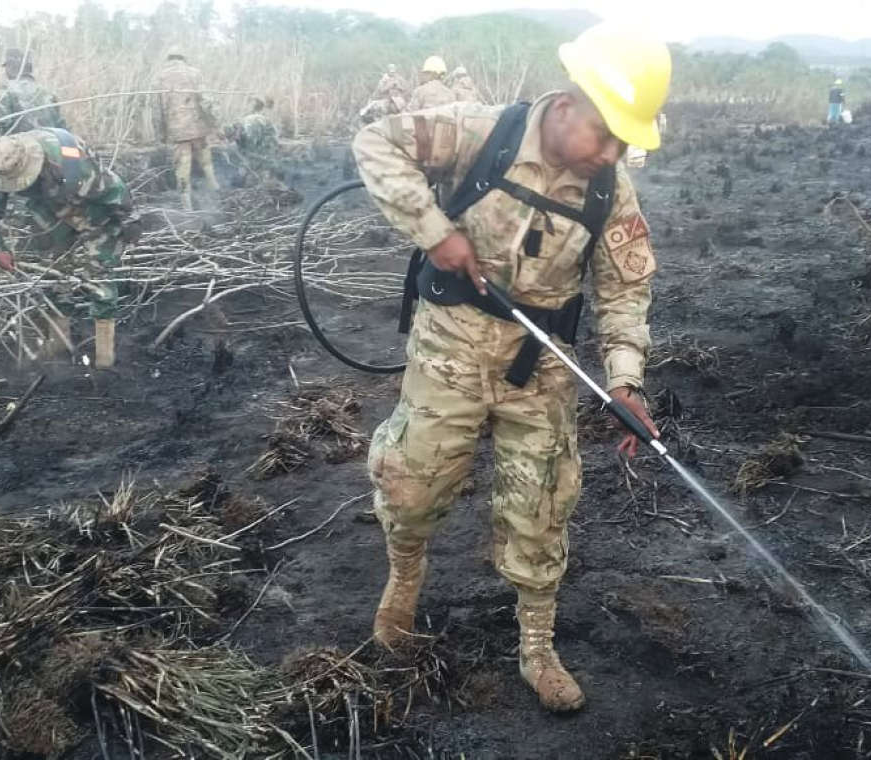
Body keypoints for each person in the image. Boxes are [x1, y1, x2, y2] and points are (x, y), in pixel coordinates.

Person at [353, 22, 670, 713]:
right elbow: (375, 143)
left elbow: (625, 289)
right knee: (412, 484)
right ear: (566, 106)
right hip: (450, 346)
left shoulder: (608, 188)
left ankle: (537, 645)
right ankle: (404, 578)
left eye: (623, 141)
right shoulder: (478, 132)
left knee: (542, 507)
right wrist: (435, 233)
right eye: (606, 134)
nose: (613, 152)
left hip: (542, 365)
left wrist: (624, 379)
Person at [0, 128, 141, 368]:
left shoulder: (73, 162)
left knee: (100, 275)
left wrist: (130, 223)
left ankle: (105, 357)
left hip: (94, 208)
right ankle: (59, 343)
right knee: (53, 272)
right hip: (48, 210)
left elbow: (115, 191)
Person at [153, 45, 220, 211]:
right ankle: (218, 196)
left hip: (177, 133)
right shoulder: (195, 73)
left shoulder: (159, 78)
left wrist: (160, 134)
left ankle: (187, 209)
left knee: (183, 171)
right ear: (184, 58)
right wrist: (215, 124)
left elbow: (157, 110)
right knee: (206, 164)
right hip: (199, 130)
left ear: (168, 59)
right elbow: (207, 101)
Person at [0, 48, 65, 135]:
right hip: (52, 145)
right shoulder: (48, 92)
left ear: (10, 68)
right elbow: (62, 129)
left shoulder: (4, 91)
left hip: (21, 147)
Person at [229, 96, 284, 187]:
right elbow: (274, 139)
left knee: (251, 181)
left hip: (259, 157)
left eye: (247, 104)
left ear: (252, 106)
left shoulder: (251, 120)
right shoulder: (265, 119)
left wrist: (237, 144)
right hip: (267, 156)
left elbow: (251, 141)